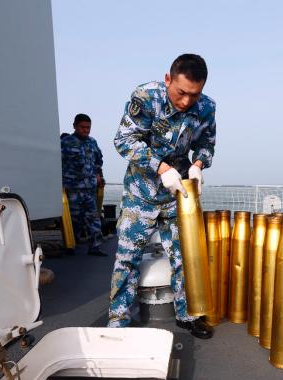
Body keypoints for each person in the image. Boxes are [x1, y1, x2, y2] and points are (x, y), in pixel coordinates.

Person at [108, 53, 216, 339]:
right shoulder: (146, 97)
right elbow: (124, 140)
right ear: (168, 79)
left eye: (194, 95)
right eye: (181, 93)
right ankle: (118, 320)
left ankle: (188, 314)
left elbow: (206, 144)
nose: (186, 101)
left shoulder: (206, 107)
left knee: (185, 256)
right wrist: (161, 167)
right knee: (127, 259)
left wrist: (198, 164)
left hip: (178, 193)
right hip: (141, 193)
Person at [61, 114, 107, 256]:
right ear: (74, 126)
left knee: (93, 218)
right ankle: (70, 245)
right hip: (72, 189)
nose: (86, 130)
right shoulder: (65, 143)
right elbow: (57, 164)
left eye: (88, 128)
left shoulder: (92, 142)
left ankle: (95, 247)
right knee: (74, 220)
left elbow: (98, 161)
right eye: (83, 127)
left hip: (89, 189)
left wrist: (99, 176)